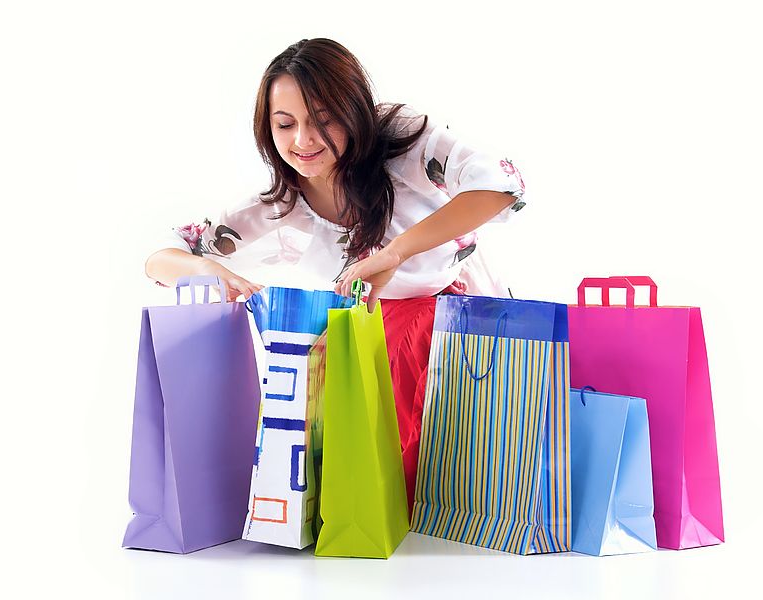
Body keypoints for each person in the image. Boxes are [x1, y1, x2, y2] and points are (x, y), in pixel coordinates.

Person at [145, 38, 527, 512]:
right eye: (285, 124)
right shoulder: (279, 208)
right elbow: (158, 259)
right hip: (376, 337)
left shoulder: (403, 139)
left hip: (459, 322)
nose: (304, 141)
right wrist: (208, 267)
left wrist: (396, 252)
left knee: (467, 484)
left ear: (353, 110)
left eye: (324, 120)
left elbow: (501, 186)